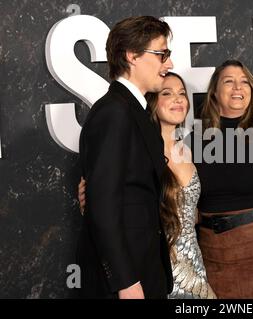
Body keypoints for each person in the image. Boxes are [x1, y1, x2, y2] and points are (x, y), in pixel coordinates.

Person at [79, 73, 216, 299]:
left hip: (194, 266)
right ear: (152, 100)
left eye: (182, 93)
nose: (178, 99)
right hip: (157, 268)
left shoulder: (192, 150)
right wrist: (88, 201)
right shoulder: (138, 151)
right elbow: (109, 202)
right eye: (167, 93)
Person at [76, 16, 174, 299]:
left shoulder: (136, 112)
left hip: (145, 270)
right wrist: (126, 282)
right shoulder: (114, 113)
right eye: (162, 54)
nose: (169, 64)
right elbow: (103, 205)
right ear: (132, 56)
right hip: (127, 282)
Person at [192, 60, 253, 299]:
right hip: (209, 257)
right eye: (229, 81)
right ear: (214, 92)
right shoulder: (194, 140)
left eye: (244, 82)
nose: (238, 87)